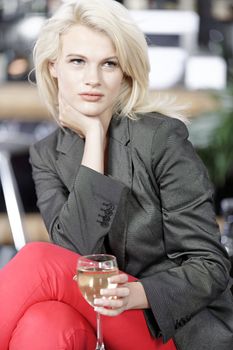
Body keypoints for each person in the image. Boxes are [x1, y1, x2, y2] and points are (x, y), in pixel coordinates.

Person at [0, 0, 233, 349]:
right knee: (45, 324)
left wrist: (137, 294)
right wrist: (95, 138)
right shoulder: (47, 154)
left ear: (124, 72)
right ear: (53, 68)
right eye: (77, 61)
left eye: (108, 64)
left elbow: (210, 266)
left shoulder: (160, 138)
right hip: (97, 320)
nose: (92, 79)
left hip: (170, 328)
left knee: (37, 260)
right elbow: (75, 257)